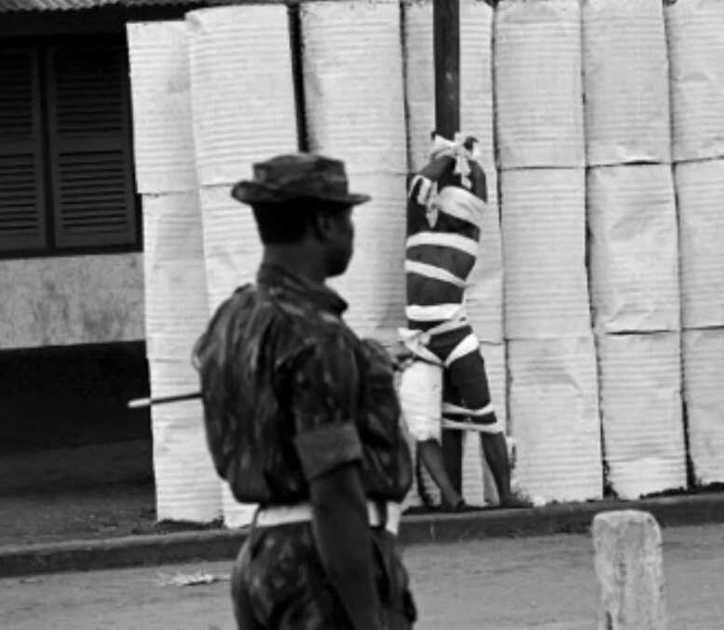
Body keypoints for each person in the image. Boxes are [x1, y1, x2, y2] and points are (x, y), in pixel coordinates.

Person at [193, 154, 416, 629]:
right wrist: (366, 618)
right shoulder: (317, 335)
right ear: (323, 224)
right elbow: (335, 490)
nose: (351, 232)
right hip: (320, 564)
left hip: (262, 559)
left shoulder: (234, 320)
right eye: (347, 218)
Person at [398, 132, 522, 510]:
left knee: (484, 417)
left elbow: (449, 185)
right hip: (420, 338)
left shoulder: (467, 234)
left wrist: (454, 157)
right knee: (422, 425)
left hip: (453, 335)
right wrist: (452, 157)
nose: (460, 213)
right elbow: (419, 185)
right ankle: (452, 499)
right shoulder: (423, 227)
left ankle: (504, 495)